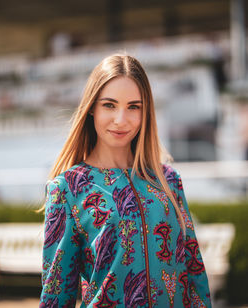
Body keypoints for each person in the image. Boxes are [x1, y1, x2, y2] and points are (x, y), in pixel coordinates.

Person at [39, 53, 211, 307]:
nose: (121, 120)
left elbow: (194, 272)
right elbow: (56, 295)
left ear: (145, 113)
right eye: (109, 105)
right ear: (91, 109)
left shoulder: (168, 180)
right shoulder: (67, 189)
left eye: (133, 107)